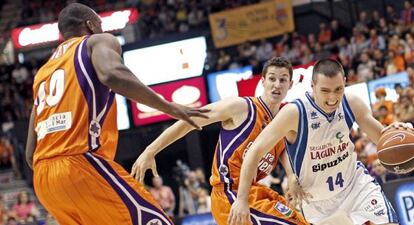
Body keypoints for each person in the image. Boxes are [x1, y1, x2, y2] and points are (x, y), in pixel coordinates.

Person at [25, 3, 208, 225]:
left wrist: (61, 177)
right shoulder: (97, 41)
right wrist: (168, 106)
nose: (102, 29)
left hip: (44, 179)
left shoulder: (42, 73)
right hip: (80, 162)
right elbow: (111, 74)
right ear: (91, 25)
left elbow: (29, 152)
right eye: (100, 24)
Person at [131, 57, 309, 225]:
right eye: (272, 79)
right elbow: (189, 122)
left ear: (290, 84)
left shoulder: (282, 121)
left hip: (255, 192)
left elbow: (283, 150)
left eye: (283, 80)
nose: (277, 85)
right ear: (262, 81)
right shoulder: (241, 108)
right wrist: (150, 150)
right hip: (229, 195)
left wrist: (292, 175)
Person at [229, 59, 405, 225]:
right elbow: (255, 151)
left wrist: (398, 133)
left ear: (344, 82)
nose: (332, 98)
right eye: (325, 91)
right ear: (313, 86)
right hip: (316, 203)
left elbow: (383, 139)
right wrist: (242, 199)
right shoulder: (294, 113)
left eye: (338, 89)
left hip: (356, 187)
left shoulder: (351, 103)